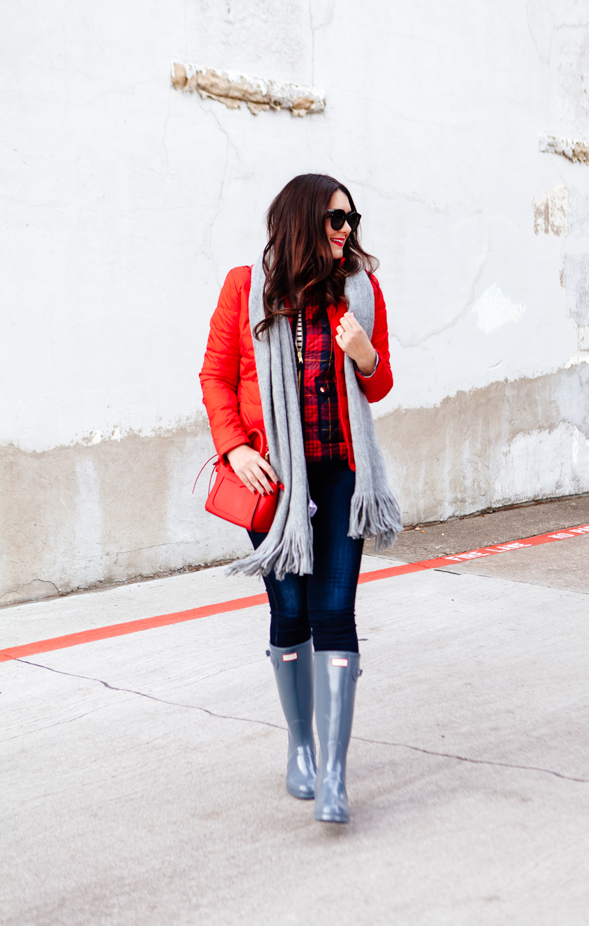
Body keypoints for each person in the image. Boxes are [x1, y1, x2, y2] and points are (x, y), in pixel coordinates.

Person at [199, 173, 401, 824]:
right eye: (336, 220)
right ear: (303, 222)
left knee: (334, 610)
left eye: (352, 221)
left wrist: (365, 354)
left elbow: (380, 383)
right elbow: (215, 375)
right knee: (290, 613)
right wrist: (234, 448)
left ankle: (336, 778)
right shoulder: (244, 288)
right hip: (276, 483)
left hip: (343, 474)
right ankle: (302, 747)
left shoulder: (361, 294)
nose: (347, 232)